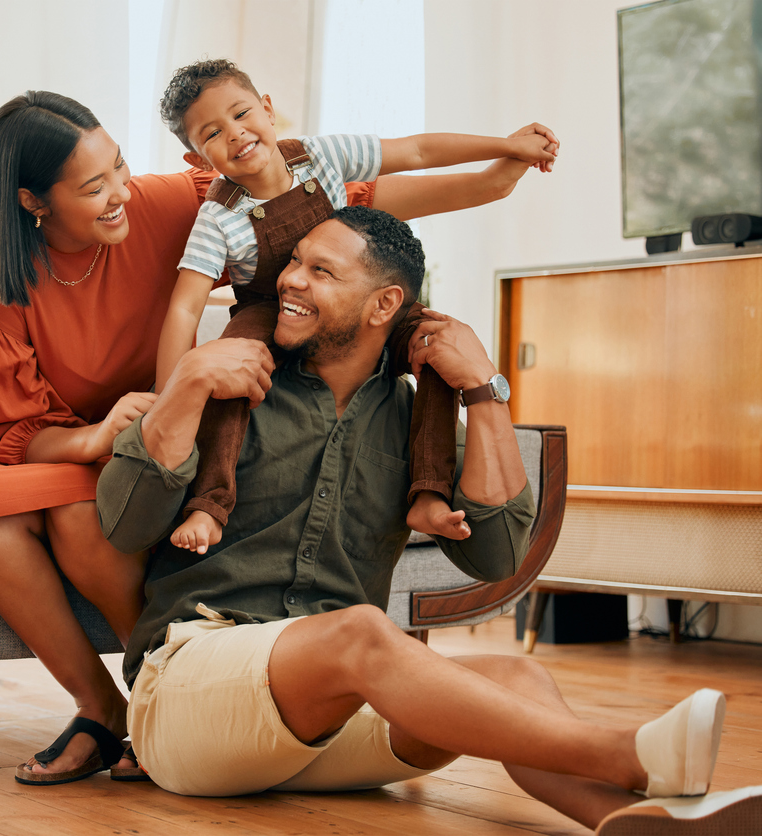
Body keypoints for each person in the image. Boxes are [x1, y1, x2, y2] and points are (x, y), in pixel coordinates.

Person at [0, 89, 558, 787]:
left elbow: (330, 197)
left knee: (84, 514)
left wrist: (497, 172)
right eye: (92, 187)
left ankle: (155, 697)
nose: (119, 195)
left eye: (121, 169)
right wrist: (125, 422)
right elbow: (6, 428)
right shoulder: (0, 278)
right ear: (32, 202)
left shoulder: (170, 203)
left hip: (184, 421)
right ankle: (111, 703)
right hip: (124, 432)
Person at [97, 205, 761, 834]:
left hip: (325, 723)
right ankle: (627, 755)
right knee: (361, 631)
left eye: (320, 271)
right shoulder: (230, 384)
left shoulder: (421, 428)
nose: (290, 280)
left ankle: (627, 820)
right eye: (294, 262)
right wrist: (185, 382)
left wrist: (484, 389)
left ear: (383, 304)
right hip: (190, 696)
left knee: (517, 680)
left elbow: (498, 558)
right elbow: (124, 525)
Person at [152, 58, 558, 557]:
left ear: (268, 108)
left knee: (437, 345)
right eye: (212, 133)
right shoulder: (218, 217)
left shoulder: (322, 156)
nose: (235, 134)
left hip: (354, 292)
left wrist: (506, 145)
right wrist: (170, 395)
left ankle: (429, 492)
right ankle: (209, 503)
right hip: (269, 306)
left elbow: (417, 149)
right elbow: (184, 310)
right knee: (229, 370)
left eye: (240, 114)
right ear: (198, 159)